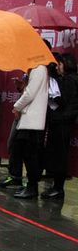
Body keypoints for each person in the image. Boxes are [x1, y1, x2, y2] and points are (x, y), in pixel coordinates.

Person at [12, 60, 50, 199]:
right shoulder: (35, 69)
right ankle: (30, 185)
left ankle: (32, 187)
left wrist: (16, 106)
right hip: (30, 120)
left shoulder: (38, 69)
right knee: (26, 153)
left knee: (30, 155)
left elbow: (29, 93)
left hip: (33, 121)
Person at [42, 53, 78, 199]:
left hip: (62, 121)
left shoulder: (69, 80)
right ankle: (56, 186)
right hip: (62, 121)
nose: (58, 67)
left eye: (60, 64)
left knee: (60, 155)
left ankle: (58, 188)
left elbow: (62, 101)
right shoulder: (70, 79)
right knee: (58, 155)